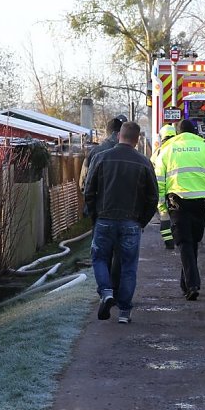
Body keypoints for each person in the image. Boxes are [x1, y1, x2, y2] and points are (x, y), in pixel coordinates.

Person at [83, 121, 158, 324]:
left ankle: (106, 291)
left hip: (105, 219)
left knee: (99, 258)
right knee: (128, 266)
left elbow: (89, 190)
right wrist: (141, 221)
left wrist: (94, 216)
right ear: (137, 140)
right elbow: (153, 197)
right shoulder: (144, 162)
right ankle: (124, 312)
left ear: (119, 136)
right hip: (131, 222)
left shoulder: (100, 157)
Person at [155, 118, 205, 301]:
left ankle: (193, 284)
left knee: (185, 243)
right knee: (191, 242)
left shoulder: (168, 150)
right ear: (195, 132)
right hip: (201, 204)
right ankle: (186, 283)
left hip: (177, 203)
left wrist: (162, 206)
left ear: (177, 133)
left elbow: (159, 182)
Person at [79, 114, 127, 295]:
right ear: (118, 133)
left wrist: (92, 209)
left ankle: (106, 291)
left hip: (100, 213)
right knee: (120, 254)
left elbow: (83, 184)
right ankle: (115, 288)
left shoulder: (94, 153)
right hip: (125, 213)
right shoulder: (130, 154)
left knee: (101, 254)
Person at [151, 124, 177, 249]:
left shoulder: (158, 152)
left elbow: (151, 168)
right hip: (177, 189)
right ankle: (179, 240)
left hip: (161, 189)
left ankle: (169, 243)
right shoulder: (178, 149)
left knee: (164, 216)